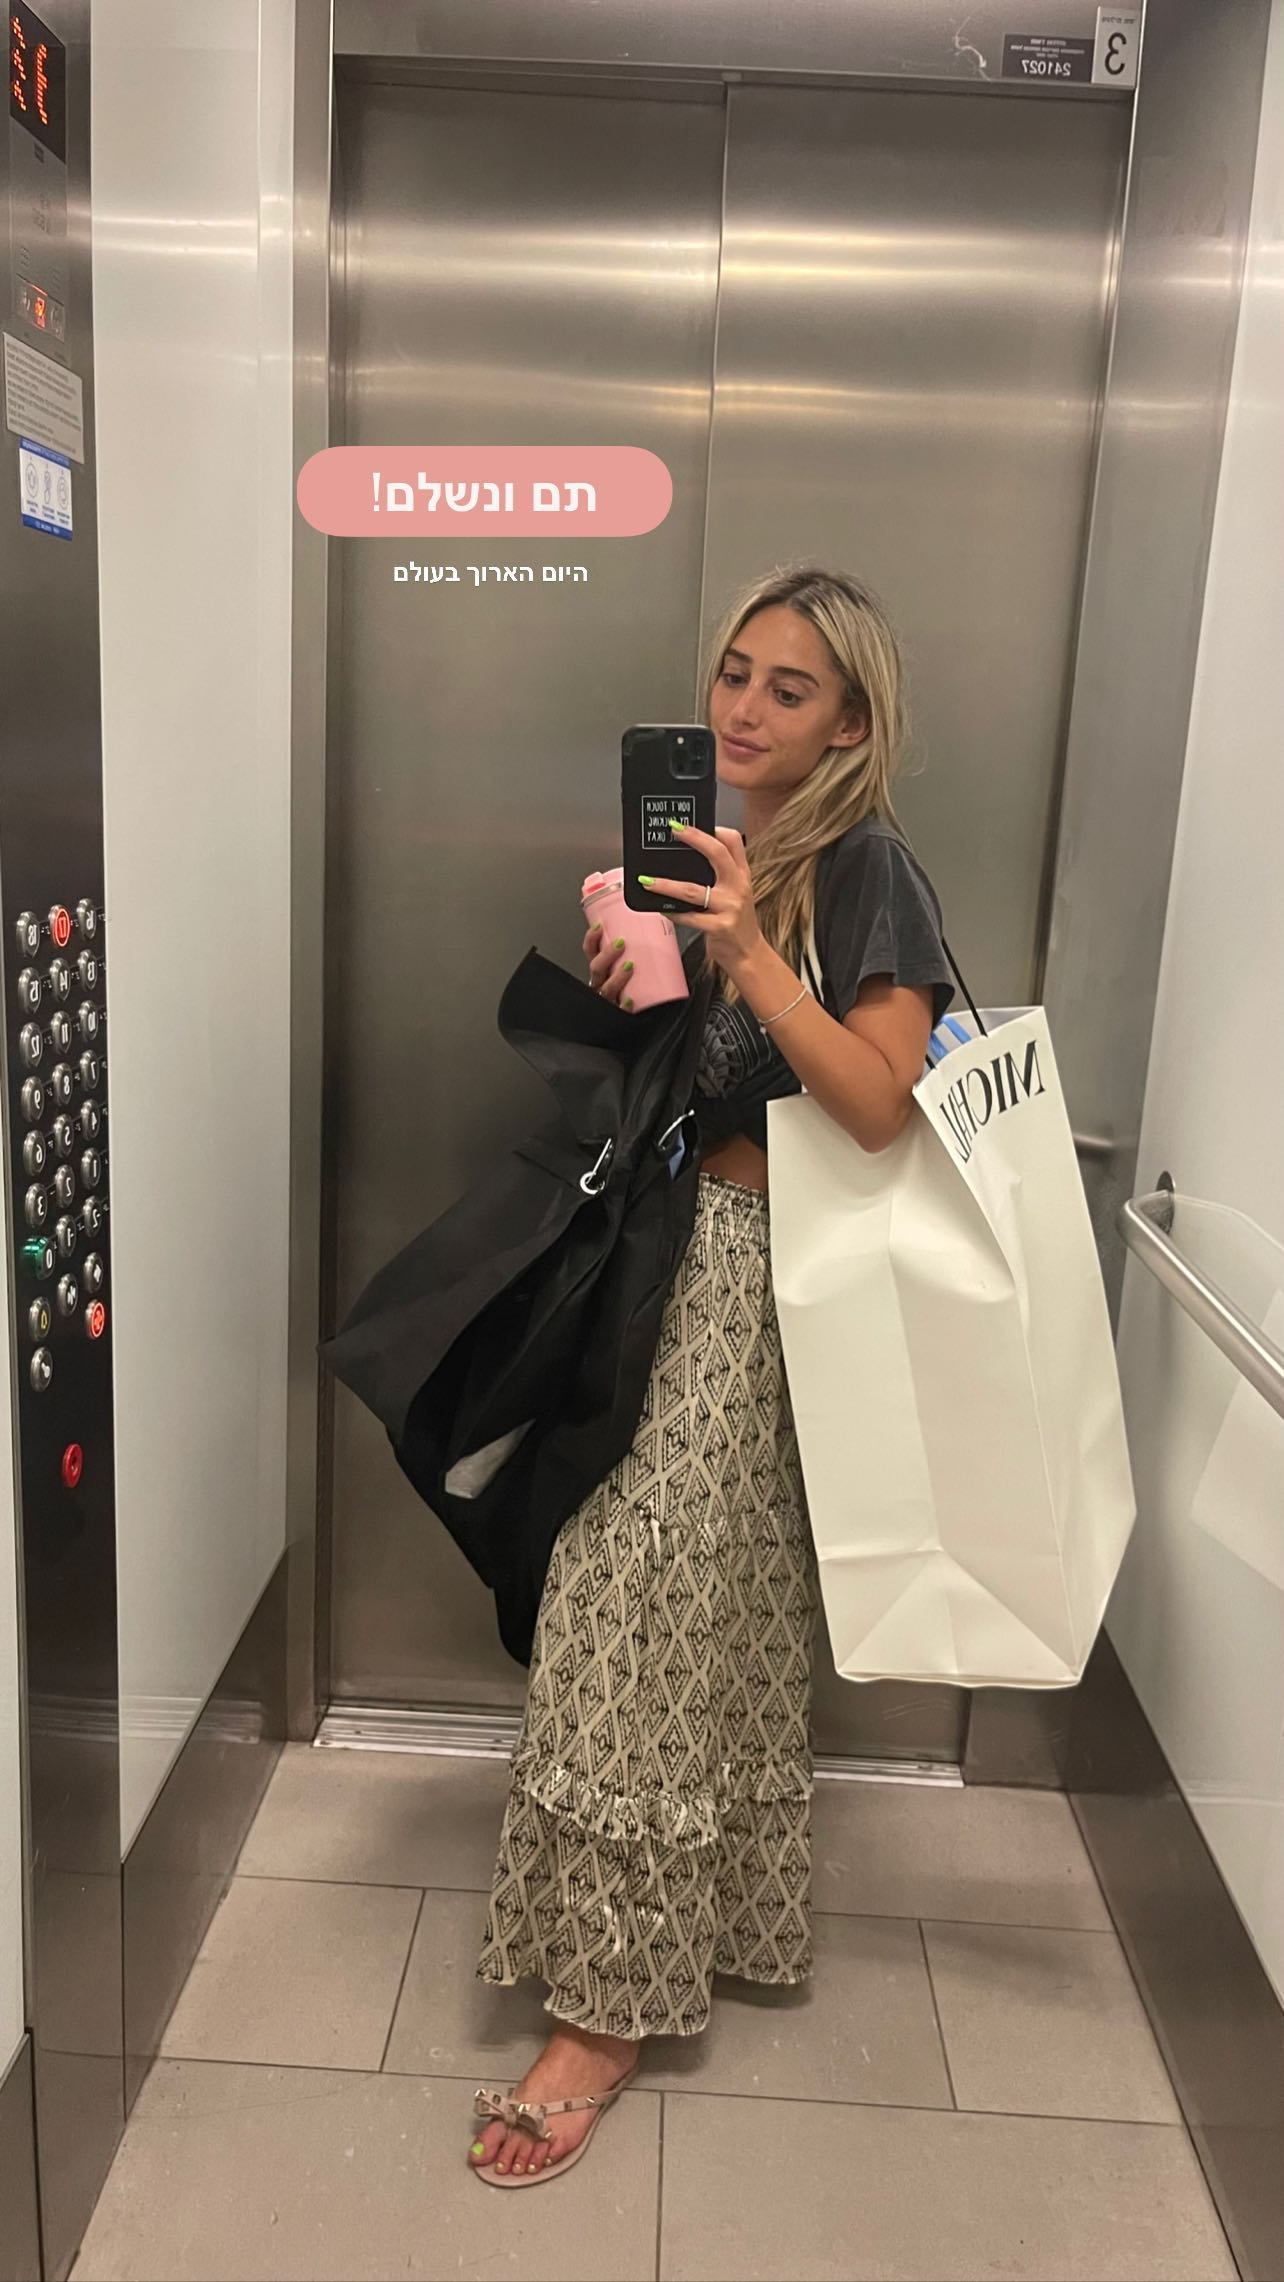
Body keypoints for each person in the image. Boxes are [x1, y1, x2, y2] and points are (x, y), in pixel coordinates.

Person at [467, 565, 956, 2186]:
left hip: (761, 1283)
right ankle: (713, 1921)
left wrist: (745, 950)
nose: (743, 707)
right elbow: (718, 1079)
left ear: (853, 724)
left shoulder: (868, 867)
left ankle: (601, 2013)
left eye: (788, 687)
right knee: (702, 1607)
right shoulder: (734, 855)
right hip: (672, 1259)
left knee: (636, 1598)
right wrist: (651, 982)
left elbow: (877, 1103)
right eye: (734, 672)